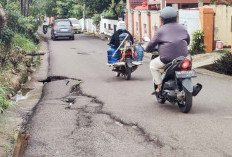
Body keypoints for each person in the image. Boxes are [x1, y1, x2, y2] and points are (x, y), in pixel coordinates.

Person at [145, 7, 190, 93]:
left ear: (162, 19)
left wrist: (146, 49)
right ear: (176, 18)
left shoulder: (160, 30)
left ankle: (159, 85)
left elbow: (151, 44)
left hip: (167, 59)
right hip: (183, 58)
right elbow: (188, 41)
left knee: (153, 65)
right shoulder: (183, 28)